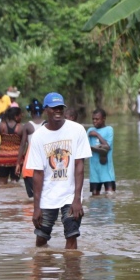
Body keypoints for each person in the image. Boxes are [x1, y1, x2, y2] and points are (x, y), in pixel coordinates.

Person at [27, 92, 92, 249]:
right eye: (54, 108)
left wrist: (77, 199)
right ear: (46, 110)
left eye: (60, 108)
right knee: (41, 239)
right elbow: (38, 174)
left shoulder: (77, 130)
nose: (58, 111)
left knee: (71, 236)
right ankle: (44, 267)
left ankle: (71, 272)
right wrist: (36, 208)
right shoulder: (38, 137)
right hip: (47, 196)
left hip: (70, 196)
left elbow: (79, 166)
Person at [17, 98, 45, 197]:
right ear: (42, 111)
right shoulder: (47, 125)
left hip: (30, 165)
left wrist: (18, 163)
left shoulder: (28, 126)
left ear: (31, 112)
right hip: (44, 165)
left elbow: (22, 145)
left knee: (33, 197)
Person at [0, 106, 23, 184]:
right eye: (20, 115)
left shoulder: (1, 126)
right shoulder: (21, 128)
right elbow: (24, 145)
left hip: (3, 158)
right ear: (16, 117)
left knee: (2, 183)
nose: (22, 117)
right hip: (16, 158)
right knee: (15, 183)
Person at [88, 108, 115, 196]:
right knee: (95, 197)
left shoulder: (109, 130)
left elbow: (107, 146)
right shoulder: (89, 131)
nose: (94, 121)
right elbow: (85, 146)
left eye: (97, 119)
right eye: (93, 119)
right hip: (94, 172)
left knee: (110, 195)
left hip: (107, 171)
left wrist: (97, 134)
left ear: (103, 119)